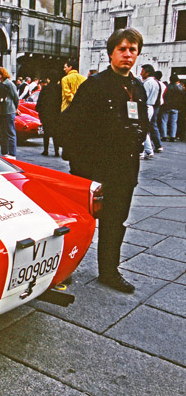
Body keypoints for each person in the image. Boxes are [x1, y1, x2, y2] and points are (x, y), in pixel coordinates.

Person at [61, 28, 150, 293]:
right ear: (111, 52)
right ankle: (64, 269)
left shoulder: (138, 87)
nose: (127, 54)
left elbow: (142, 122)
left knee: (115, 221)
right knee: (80, 221)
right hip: (93, 169)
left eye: (132, 50)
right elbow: (71, 126)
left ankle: (109, 271)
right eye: (122, 49)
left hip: (125, 168)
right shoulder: (95, 85)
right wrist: (81, 165)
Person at [0, 66, 19, 159]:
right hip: (4, 110)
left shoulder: (9, 84)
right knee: (3, 132)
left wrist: (15, 107)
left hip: (9, 110)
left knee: (10, 132)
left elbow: (16, 97)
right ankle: (5, 152)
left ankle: (12, 153)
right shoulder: (2, 84)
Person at [36, 71, 62, 156]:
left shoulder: (45, 89)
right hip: (57, 114)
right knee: (56, 133)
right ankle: (56, 151)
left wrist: (40, 111)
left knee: (46, 132)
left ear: (49, 79)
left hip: (46, 114)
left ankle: (46, 150)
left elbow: (40, 102)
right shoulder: (60, 89)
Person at [139, 64, 161, 159]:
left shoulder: (147, 83)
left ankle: (141, 151)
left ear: (147, 73)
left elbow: (143, 97)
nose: (141, 73)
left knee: (140, 128)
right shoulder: (156, 82)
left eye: (142, 71)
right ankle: (148, 150)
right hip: (151, 106)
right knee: (144, 128)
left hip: (145, 106)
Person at [160, 74, 184, 142]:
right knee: (174, 122)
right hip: (175, 107)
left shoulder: (166, 87)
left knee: (164, 121)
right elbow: (181, 98)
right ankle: (173, 136)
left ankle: (164, 136)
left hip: (166, 107)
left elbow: (163, 96)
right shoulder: (180, 88)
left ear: (170, 79)